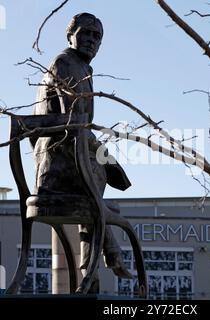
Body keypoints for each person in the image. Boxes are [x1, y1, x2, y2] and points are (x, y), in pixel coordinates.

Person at [32, 13, 132, 289]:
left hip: (74, 161)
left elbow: (80, 127)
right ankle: (104, 261)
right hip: (59, 166)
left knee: (101, 199)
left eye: (96, 36)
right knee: (98, 198)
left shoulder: (82, 68)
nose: (90, 40)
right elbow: (75, 124)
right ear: (70, 35)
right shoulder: (65, 64)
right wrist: (108, 158)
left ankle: (94, 272)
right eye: (85, 33)